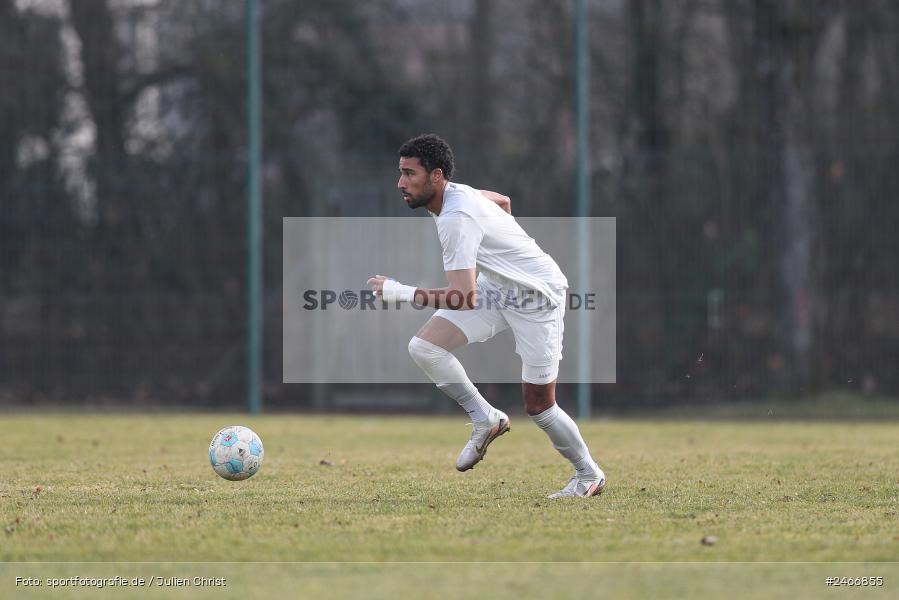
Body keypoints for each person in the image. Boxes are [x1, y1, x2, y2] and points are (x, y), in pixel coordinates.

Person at [367, 133, 605, 498]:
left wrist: (400, 292)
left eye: (410, 174)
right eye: (400, 173)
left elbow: (462, 297)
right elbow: (503, 201)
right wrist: (505, 251)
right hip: (496, 289)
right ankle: (485, 418)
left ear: (436, 176)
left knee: (539, 406)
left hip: (536, 298)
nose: (401, 183)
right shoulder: (459, 196)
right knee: (425, 347)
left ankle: (589, 475)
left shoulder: (455, 217)